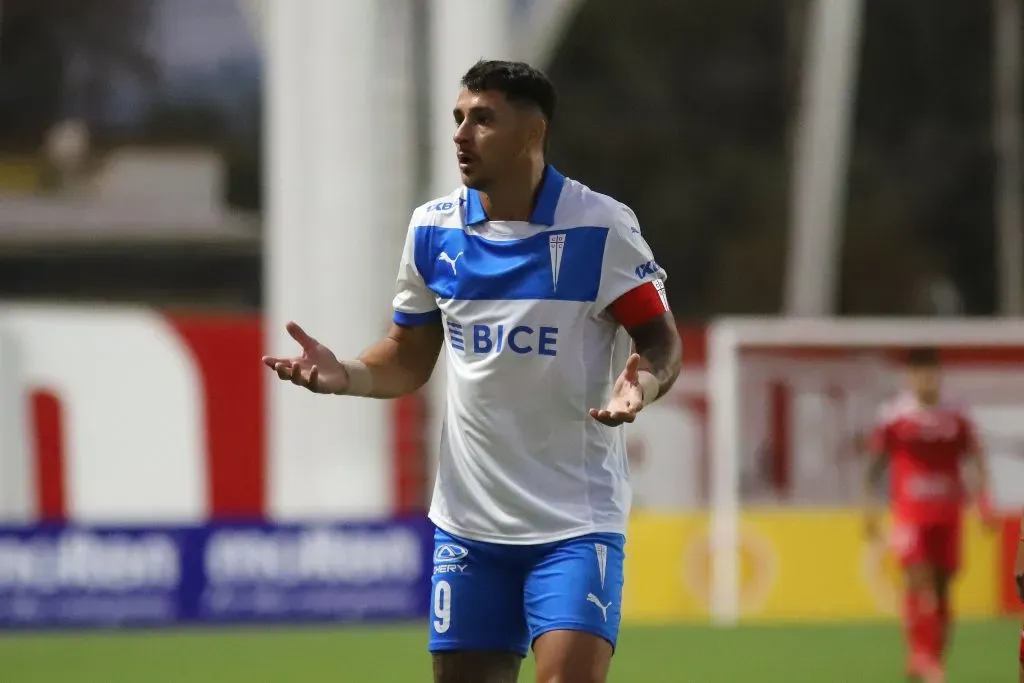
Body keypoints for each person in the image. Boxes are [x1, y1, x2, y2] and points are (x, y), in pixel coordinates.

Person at [262, 59, 681, 683]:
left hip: (574, 525)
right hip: (469, 527)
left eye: (482, 119)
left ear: (533, 133)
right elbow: (407, 359)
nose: (460, 134)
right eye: (458, 117)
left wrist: (640, 383)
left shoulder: (601, 228)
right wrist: (345, 372)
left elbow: (661, 341)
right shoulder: (432, 229)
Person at [864, 347, 991, 683]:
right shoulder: (894, 415)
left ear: (939, 375)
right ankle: (922, 656)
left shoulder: (957, 415)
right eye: (920, 373)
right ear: (910, 377)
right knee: (918, 580)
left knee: (943, 588)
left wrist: (983, 500)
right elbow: (875, 463)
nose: (926, 379)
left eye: (931, 373)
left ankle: (931, 656)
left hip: (949, 513)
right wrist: (868, 507)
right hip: (910, 512)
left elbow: (975, 457)